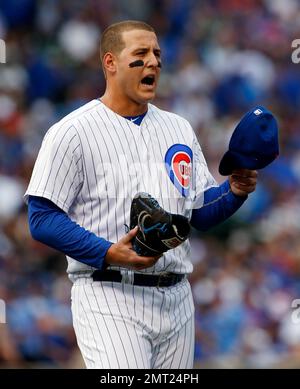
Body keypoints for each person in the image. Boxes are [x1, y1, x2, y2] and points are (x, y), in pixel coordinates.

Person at [24, 20, 257, 369]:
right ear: (110, 62)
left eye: (158, 54)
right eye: (141, 53)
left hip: (177, 296)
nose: (154, 62)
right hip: (109, 293)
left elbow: (199, 212)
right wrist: (107, 252)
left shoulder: (178, 127)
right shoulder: (71, 131)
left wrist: (234, 191)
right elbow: (41, 218)